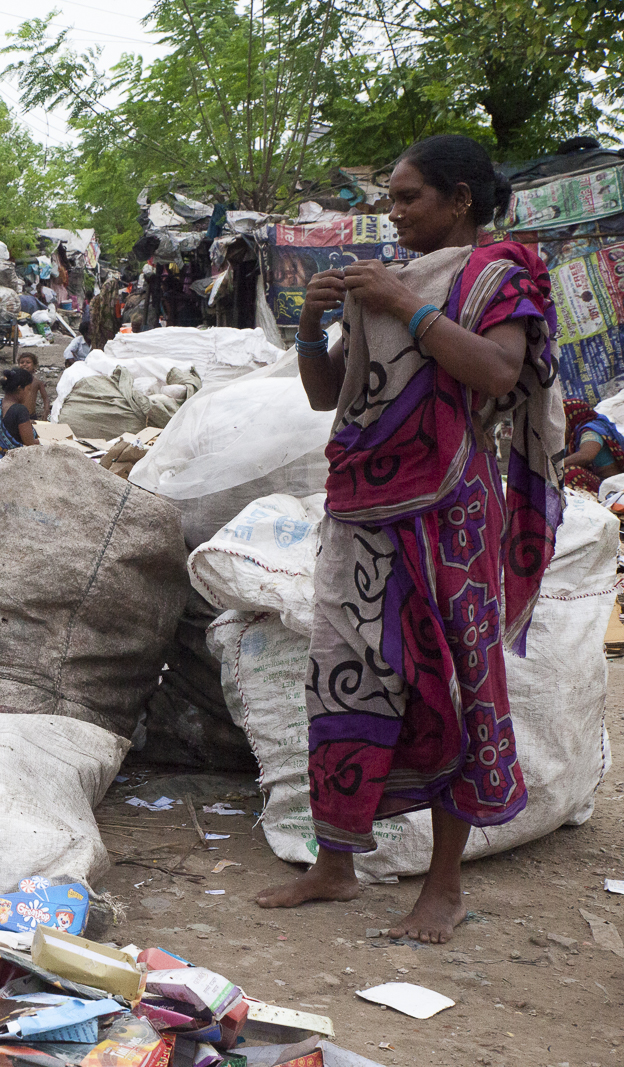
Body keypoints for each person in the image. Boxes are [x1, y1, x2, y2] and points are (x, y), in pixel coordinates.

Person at [255, 135, 563, 944]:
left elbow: (498, 373)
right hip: (360, 510)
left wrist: (404, 305)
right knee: (343, 677)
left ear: (460, 199)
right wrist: (316, 322)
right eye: (390, 198)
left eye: (409, 197)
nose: (393, 212)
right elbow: (332, 395)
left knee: (455, 681)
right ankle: (336, 863)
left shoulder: (500, 273)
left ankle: (445, 886)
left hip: (449, 513)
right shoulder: (380, 284)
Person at [560, 398, 624, 492]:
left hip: (613, 484)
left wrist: (554, 466)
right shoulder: (573, 439)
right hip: (599, 482)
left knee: (570, 473)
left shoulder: (591, 430)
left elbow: (586, 455)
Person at [0, 367, 39, 460]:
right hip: (15, 461)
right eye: (28, 390)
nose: (29, 394)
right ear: (20, 388)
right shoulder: (20, 410)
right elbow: (29, 444)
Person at [15, 352, 46, 417]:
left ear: (34, 365)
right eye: (22, 362)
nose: (24, 364)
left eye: (28, 362)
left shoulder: (37, 382)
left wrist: (45, 411)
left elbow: (46, 398)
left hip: (31, 416)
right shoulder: (15, 381)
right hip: (17, 416)